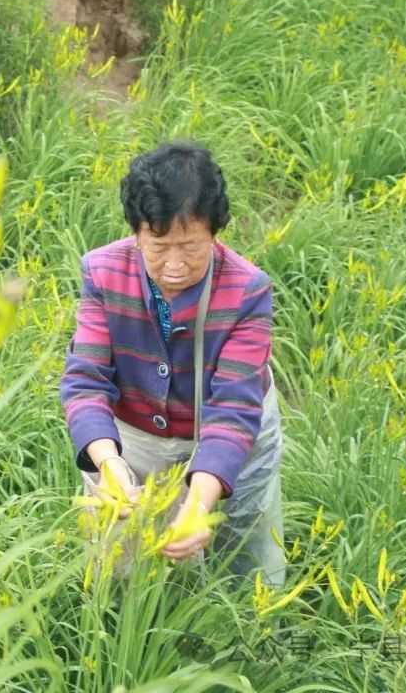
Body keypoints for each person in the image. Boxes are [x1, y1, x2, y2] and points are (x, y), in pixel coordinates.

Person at [60, 142, 285, 585]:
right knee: (124, 561)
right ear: (137, 234)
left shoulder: (248, 290)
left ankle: (251, 627)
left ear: (215, 233)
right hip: (133, 434)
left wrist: (199, 504)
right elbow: (86, 381)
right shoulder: (102, 273)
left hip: (231, 435)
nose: (176, 265)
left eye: (191, 246)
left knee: (245, 560)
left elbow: (234, 409)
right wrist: (109, 466)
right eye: (159, 247)